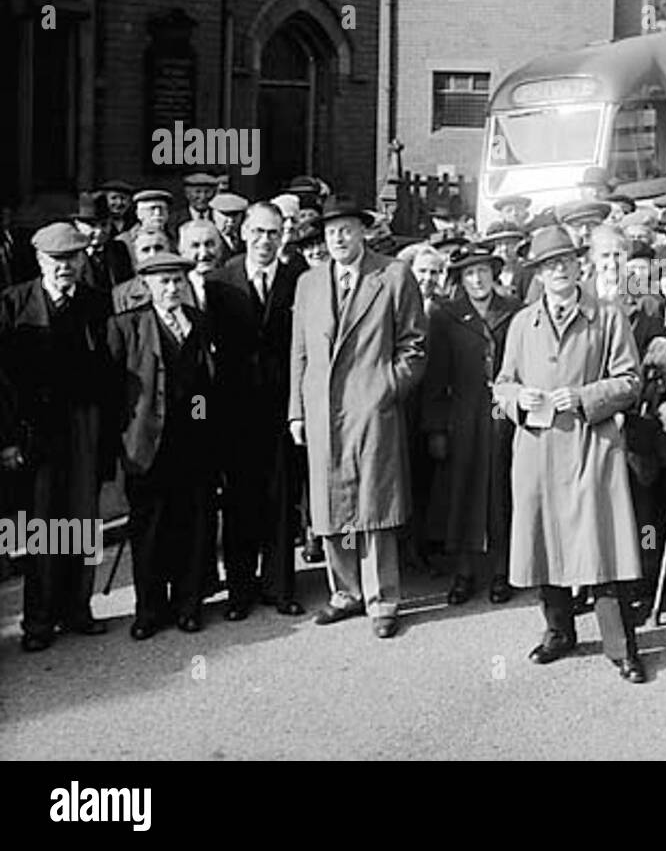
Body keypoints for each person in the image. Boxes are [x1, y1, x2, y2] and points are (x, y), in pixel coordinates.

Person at [493, 226, 647, 682]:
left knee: (603, 547)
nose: (558, 269)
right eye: (548, 264)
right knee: (544, 541)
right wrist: (518, 399)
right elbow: (502, 384)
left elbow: (630, 381)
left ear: (580, 266)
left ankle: (621, 647)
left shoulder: (608, 316)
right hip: (538, 448)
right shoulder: (522, 323)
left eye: (564, 261)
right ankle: (558, 631)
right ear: (538, 274)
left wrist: (583, 396)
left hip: (591, 445)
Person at [288, 195, 427, 639]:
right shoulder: (309, 283)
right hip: (322, 409)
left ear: (362, 231)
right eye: (331, 232)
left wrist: (385, 388)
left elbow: (414, 345)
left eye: (346, 230)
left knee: (374, 504)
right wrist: (297, 411)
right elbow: (300, 352)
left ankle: (382, 598)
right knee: (332, 505)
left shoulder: (392, 275)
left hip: (372, 409)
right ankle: (345, 591)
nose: (338, 239)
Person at [0, 223, 114, 651]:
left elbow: (110, 370)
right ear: (39, 260)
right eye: (56, 259)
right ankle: (38, 619)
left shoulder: (97, 303)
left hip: (83, 424)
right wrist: (7, 439)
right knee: (38, 525)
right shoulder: (12, 304)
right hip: (33, 429)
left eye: (72, 258)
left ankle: (77, 608)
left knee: (81, 517)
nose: (65, 266)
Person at [107, 252, 218, 639]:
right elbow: (114, 391)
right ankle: (150, 610)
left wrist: (201, 423)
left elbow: (203, 386)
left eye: (177, 281)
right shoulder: (127, 326)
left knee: (192, 525)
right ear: (147, 286)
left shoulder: (198, 322)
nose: (172, 289)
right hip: (146, 445)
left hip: (191, 444)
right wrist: (123, 437)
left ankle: (189, 605)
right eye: (163, 282)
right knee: (149, 530)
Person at [207, 202, 307, 619]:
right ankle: (240, 589)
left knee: (282, 498)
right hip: (235, 409)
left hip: (282, 406)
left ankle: (280, 587)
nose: (265, 240)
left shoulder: (298, 279)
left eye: (274, 233)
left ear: (283, 236)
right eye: (259, 232)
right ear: (244, 232)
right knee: (240, 500)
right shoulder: (219, 281)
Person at [424, 244, 523, 606]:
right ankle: (464, 572)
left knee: (502, 490)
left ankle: (502, 570)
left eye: (482, 271)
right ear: (460, 279)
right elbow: (436, 376)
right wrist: (436, 427)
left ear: (493, 274)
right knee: (462, 492)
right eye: (469, 273)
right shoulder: (445, 315)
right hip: (463, 414)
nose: (477, 279)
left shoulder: (514, 310)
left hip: (503, 411)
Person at [71, 194, 134, 292]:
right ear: (78, 225)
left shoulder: (119, 249)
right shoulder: (72, 253)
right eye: (92, 225)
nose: (99, 231)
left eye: (104, 225)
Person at [118, 189, 174, 269]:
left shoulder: (175, 238)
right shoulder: (123, 241)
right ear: (139, 214)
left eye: (162, 209)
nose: (158, 213)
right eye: (152, 209)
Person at [168, 171, 221, 239]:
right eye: (197, 192)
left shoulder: (219, 218)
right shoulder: (174, 220)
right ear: (187, 194)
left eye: (207, 192)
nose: (203, 197)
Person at [210, 192, 249, 257]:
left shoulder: (246, 238)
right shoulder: (209, 239)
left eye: (235, 215)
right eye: (226, 215)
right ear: (214, 214)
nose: (231, 220)